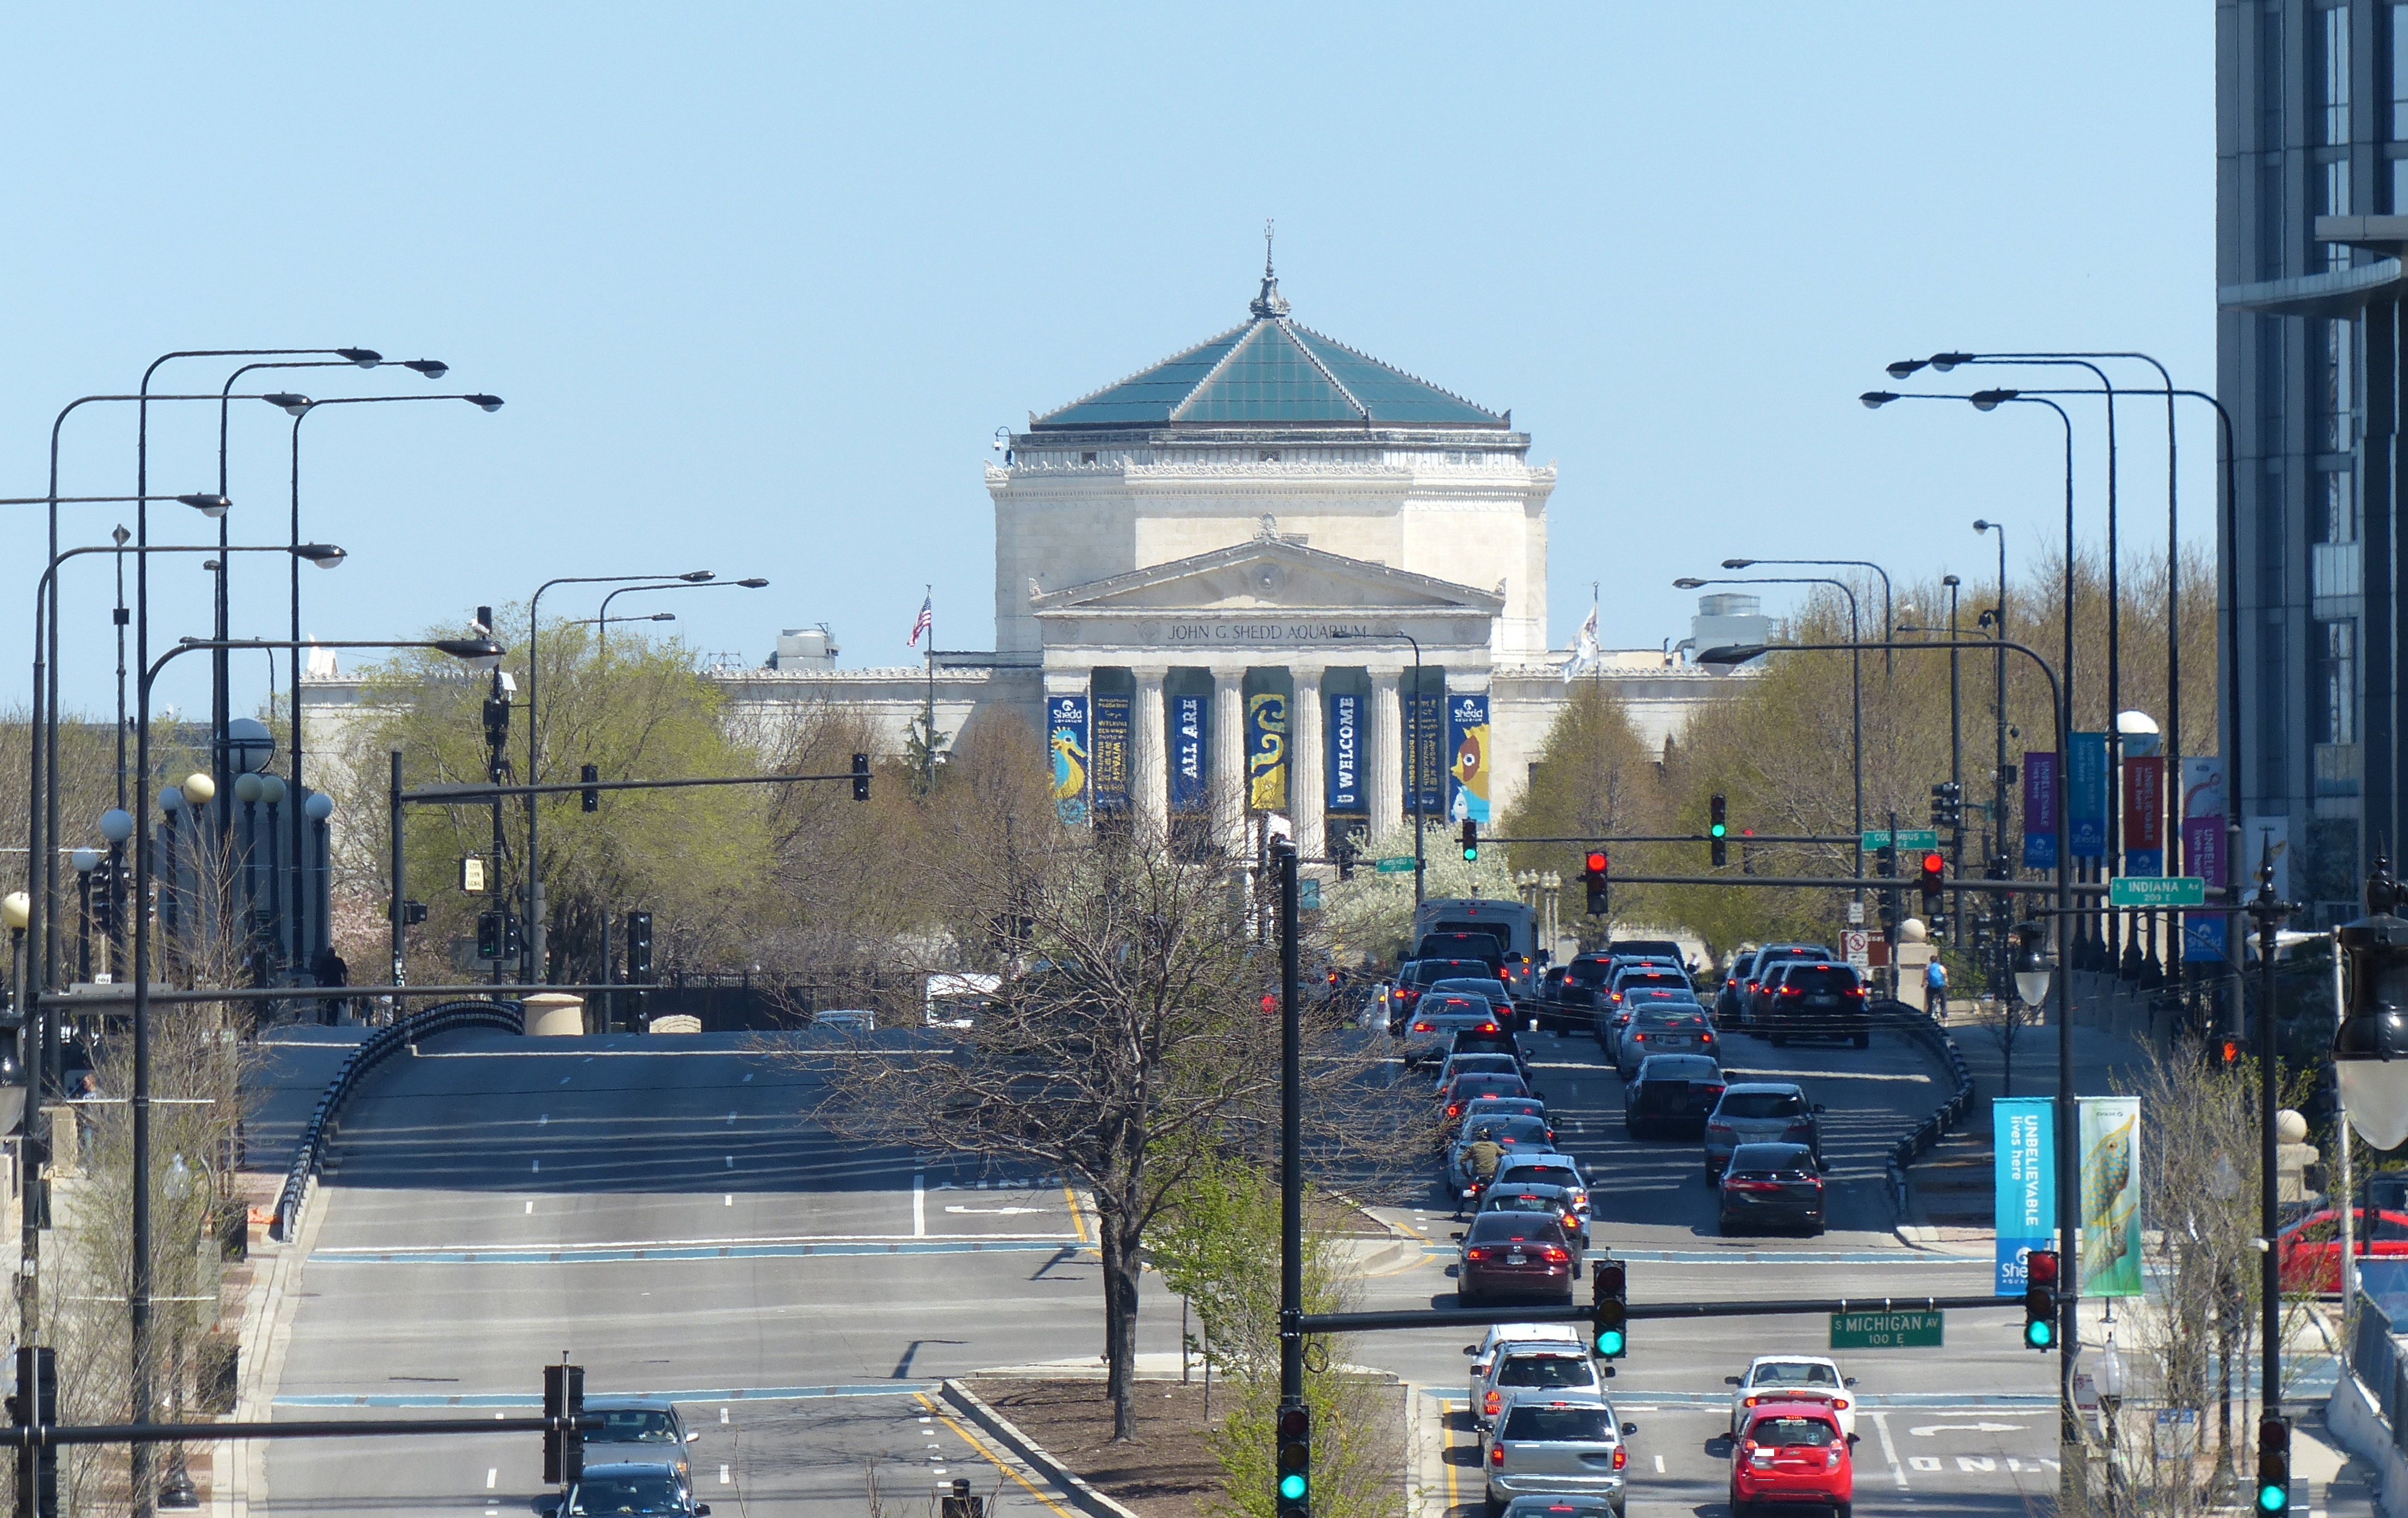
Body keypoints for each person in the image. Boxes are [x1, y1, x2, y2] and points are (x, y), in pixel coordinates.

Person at [1925, 956, 1949, 1022]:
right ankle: (1945, 1017)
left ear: (1931, 961)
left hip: (1931, 987)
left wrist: (1923, 984)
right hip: (1941, 987)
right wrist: (1947, 985)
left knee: (1930, 1003)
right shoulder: (1942, 968)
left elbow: (1925, 978)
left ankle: (1929, 1016)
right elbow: (1946, 978)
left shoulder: (1928, 968)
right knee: (1943, 1003)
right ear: (1937, 960)